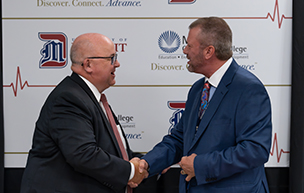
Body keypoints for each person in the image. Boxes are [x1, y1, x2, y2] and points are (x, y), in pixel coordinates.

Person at [139, 17, 272, 193]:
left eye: (189, 45)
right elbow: (179, 139)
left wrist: (201, 166)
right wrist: (146, 163)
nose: (184, 50)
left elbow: (255, 150)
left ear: (209, 51)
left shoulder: (249, 88)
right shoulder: (198, 89)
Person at [20, 33, 147, 193]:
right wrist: (131, 171)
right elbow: (83, 155)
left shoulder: (88, 97)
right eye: (112, 58)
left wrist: (148, 162)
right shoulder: (69, 98)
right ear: (88, 65)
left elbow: (112, 150)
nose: (117, 64)